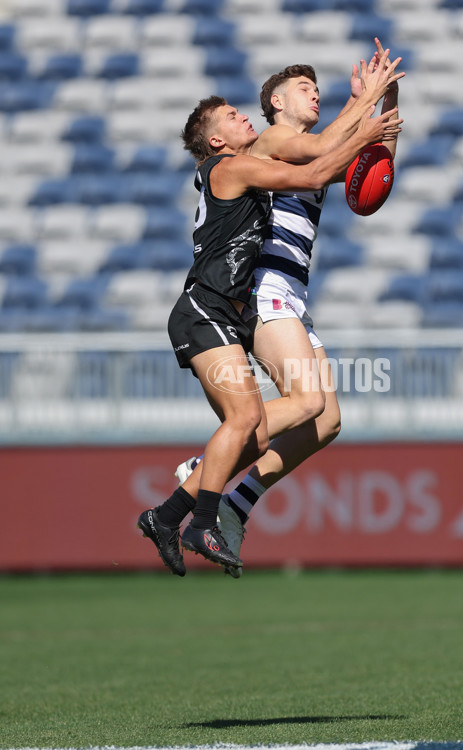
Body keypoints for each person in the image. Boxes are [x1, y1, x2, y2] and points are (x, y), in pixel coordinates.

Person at [137, 63, 403, 576]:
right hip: (266, 292)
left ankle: (231, 500)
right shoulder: (274, 139)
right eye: (304, 89)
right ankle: (207, 468)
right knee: (300, 404)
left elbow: (373, 165)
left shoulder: (314, 140)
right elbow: (322, 157)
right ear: (276, 103)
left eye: (319, 89)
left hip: (292, 294)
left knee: (326, 422)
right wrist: (365, 106)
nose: (316, 94)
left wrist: (386, 101)